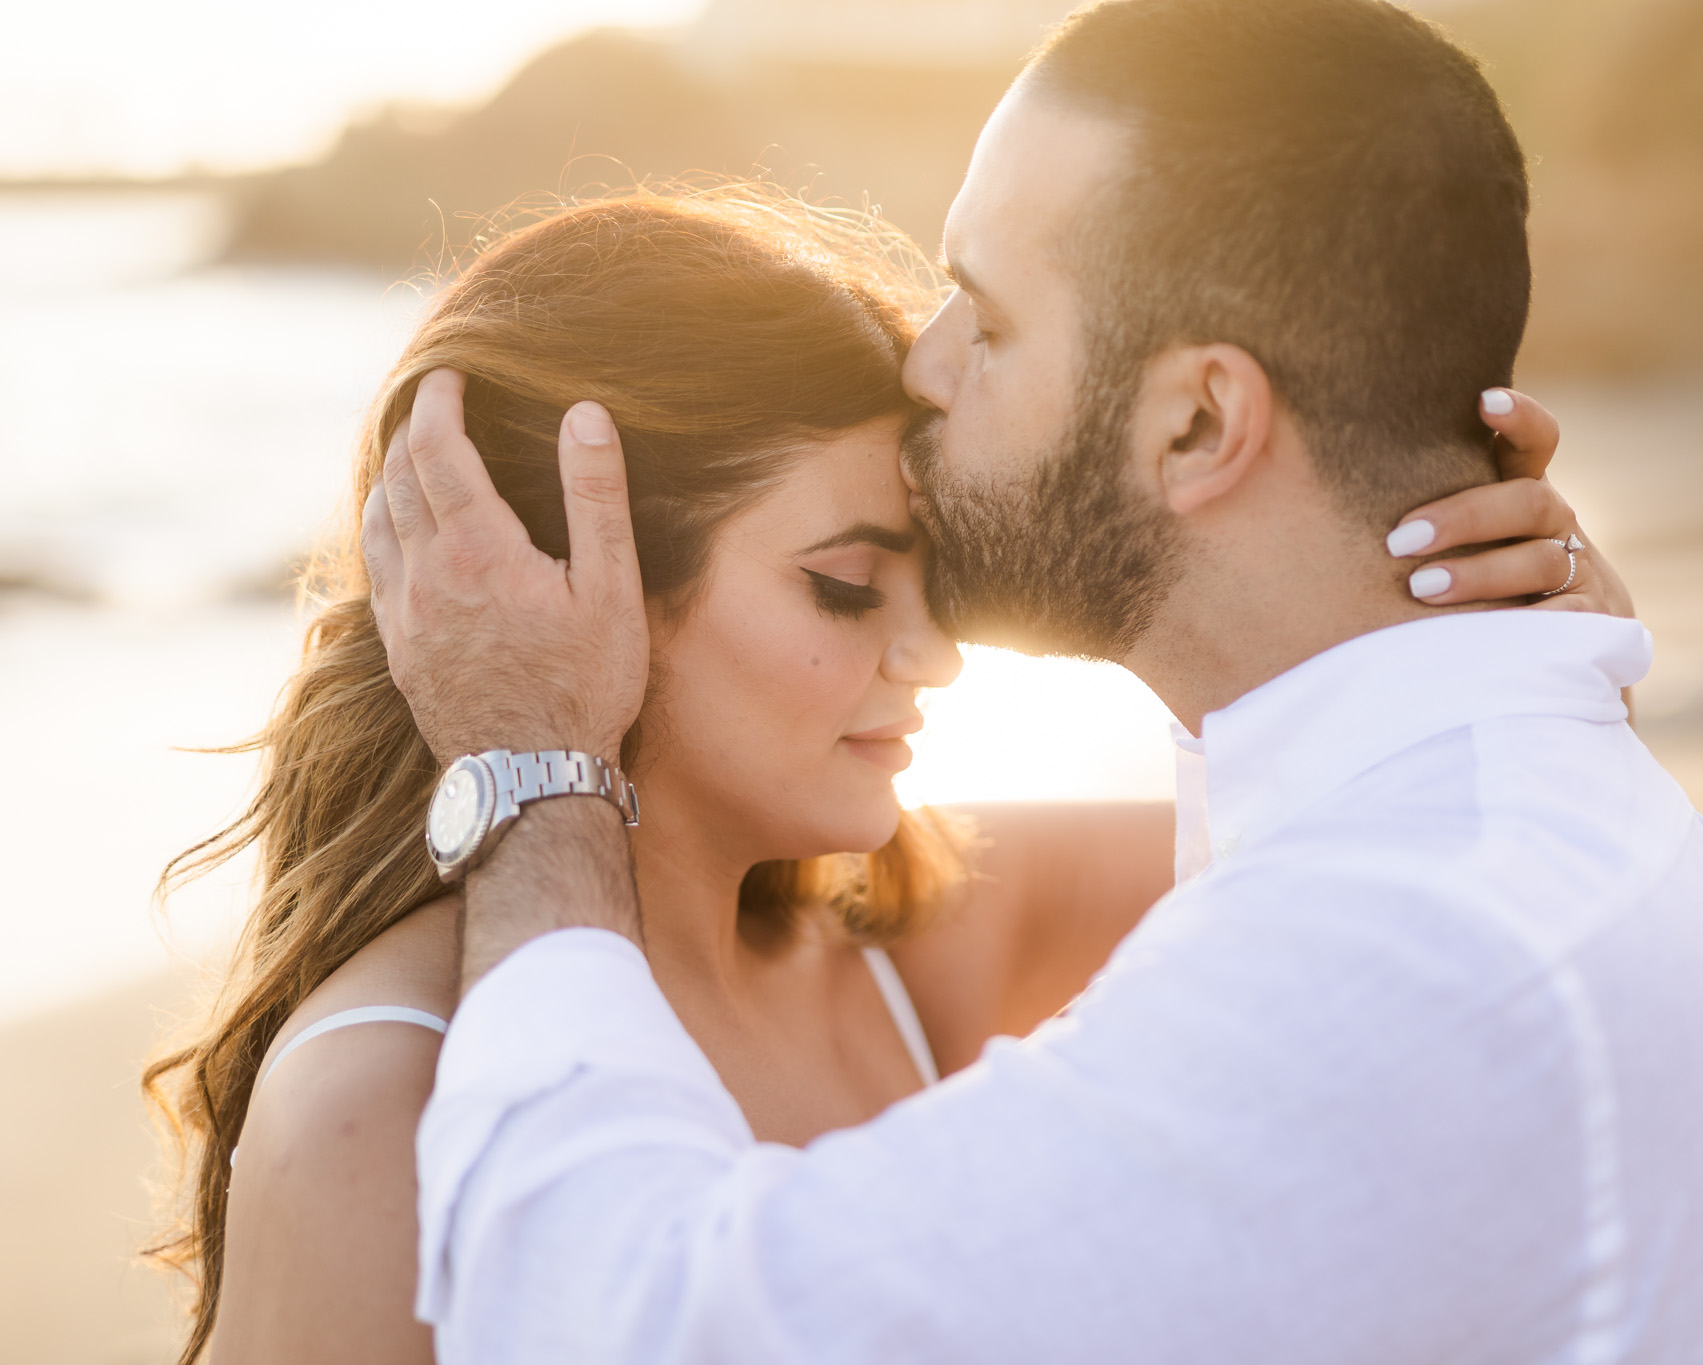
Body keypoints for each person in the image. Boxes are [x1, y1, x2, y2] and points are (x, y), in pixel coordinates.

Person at [368, 0, 1703, 1361]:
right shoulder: (1515, 808)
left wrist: (531, 761)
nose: (929, 368)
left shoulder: (1396, 962)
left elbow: (615, 1319)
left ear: (1204, 424)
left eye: (992, 319)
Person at [143, 187, 1606, 1364]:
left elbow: (1378, 851)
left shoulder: (918, 935)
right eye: (846, 588)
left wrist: (1476, 605)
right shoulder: (377, 1105)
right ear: (547, 593)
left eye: (933, 588)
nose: (934, 659)